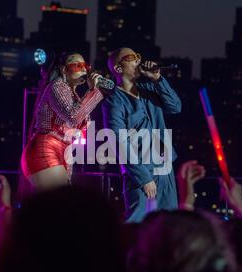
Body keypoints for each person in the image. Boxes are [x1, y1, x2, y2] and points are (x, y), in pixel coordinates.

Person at [102, 48, 182, 223]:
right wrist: (143, 177)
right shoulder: (113, 100)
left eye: (139, 56)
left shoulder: (150, 89)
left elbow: (176, 107)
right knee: (138, 225)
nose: (138, 60)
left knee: (169, 225)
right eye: (131, 58)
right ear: (118, 68)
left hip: (165, 169)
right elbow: (118, 142)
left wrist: (158, 79)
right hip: (141, 173)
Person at [21, 52, 103, 191]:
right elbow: (73, 116)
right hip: (46, 148)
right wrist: (94, 91)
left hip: (64, 152)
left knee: (59, 208)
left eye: (86, 66)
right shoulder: (56, 86)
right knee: (60, 203)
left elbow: (81, 125)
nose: (85, 70)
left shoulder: (74, 95)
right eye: (79, 65)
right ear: (64, 70)